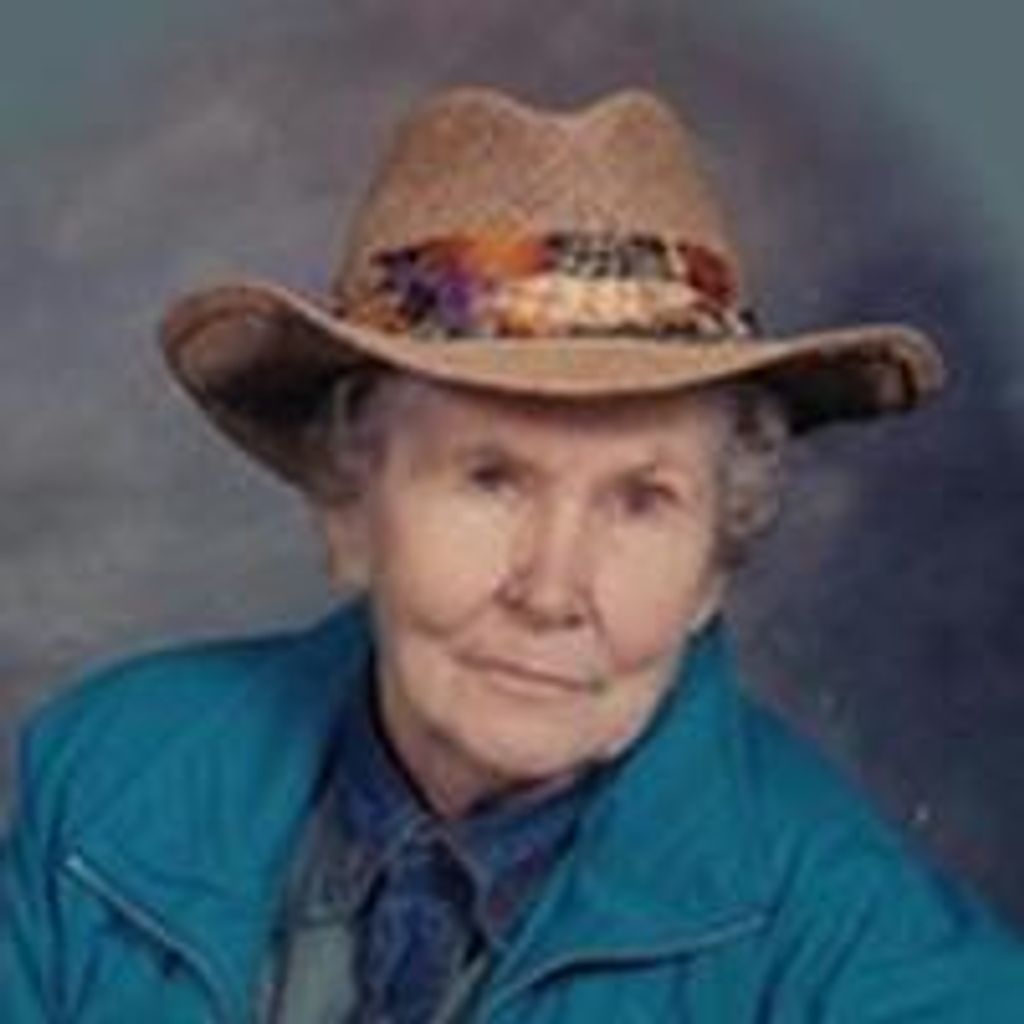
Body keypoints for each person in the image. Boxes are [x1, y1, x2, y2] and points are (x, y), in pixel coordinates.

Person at [2, 86, 1022, 1022]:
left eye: (641, 499)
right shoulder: (105, 778)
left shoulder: (861, 948)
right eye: (490, 478)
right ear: (348, 508)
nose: (551, 589)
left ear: (712, 568)